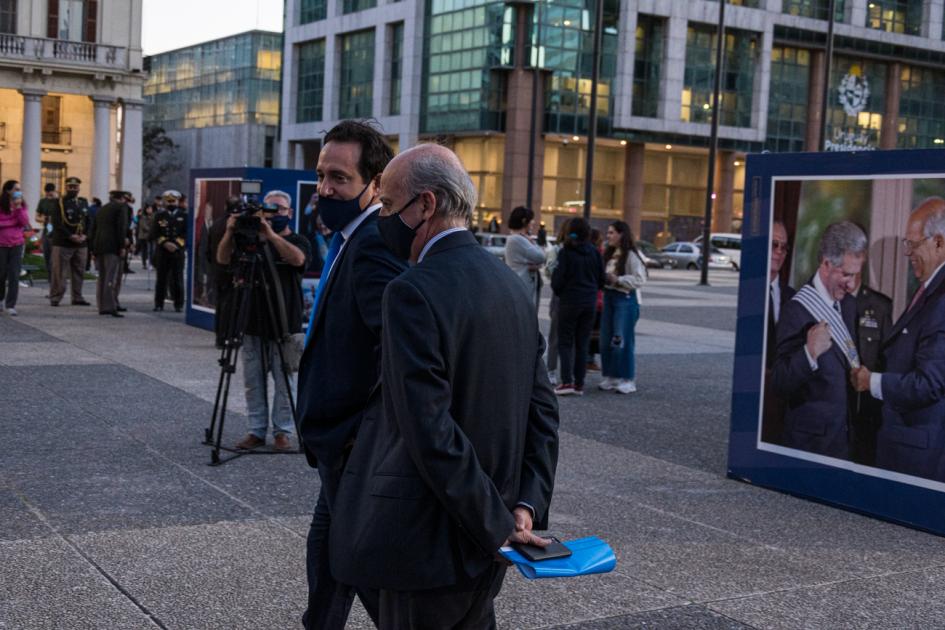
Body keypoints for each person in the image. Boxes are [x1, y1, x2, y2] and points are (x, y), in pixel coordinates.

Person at [328, 142, 559, 627]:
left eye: (388, 205)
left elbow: (428, 430)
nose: (382, 217)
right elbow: (543, 412)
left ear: (427, 204)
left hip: (426, 543)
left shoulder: (411, 292)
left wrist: (497, 525)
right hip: (490, 542)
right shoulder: (511, 286)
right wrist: (524, 507)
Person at [295, 120, 406, 630]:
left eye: (338, 178)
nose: (324, 190)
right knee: (328, 565)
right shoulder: (347, 240)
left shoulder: (373, 246)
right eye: (320, 176)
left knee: (363, 572)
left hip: (351, 449)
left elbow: (397, 350)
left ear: (375, 184)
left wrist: (362, 439)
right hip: (337, 449)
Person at [852, 198, 945, 480]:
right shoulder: (928, 291)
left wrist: (873, 381)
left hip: (916, 453)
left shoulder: (941, 299)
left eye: (913, 244)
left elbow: (929, 383)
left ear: (939, 242)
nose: (908, 253)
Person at [217, 190, 311, 452]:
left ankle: (283, 432)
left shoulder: (298, 240)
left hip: (286, 324)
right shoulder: (250, 242)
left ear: (290, 213)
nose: (274, 215)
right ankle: (256, 430)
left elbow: (298, 259)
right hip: (253, 322)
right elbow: (223, 259)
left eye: (279, 210)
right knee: (253, 381)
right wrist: (229, 232)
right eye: (270, 210)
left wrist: (270, 235)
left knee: (285, 382)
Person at [771, 221, 867, 460]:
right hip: (809, 447)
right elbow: (779, 382)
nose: (852, 284)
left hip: (844, 442)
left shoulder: (849, 305)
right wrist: (809, 353)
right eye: (846, 274)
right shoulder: (795, 309)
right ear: (826, 263)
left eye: (856, 274)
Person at [551, 217, 604, 395]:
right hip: (589, 302)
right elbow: (601, 279)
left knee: (565, 342)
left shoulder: (566, 252)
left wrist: (561, 291)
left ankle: (567, 382)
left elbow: (557, 280)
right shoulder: (594, 252)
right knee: (583, 342)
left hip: (569, 300)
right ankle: (579, 383)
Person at [848, 270, 892, 466]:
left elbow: (887, 360)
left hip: (867, 412)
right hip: (834, 411)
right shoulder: (824, 299)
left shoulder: (880, 305)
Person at [599, 221, 646, 394]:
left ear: (621, 234)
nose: (608, 236)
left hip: (625, 298)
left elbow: (640, 279)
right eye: (608, 232)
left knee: (621, 339)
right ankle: (612, 375)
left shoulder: (632, 255)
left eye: (612, 233)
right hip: (609, 296)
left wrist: (618, 279)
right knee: (606, 339)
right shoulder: (610, 253)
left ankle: (628, 377)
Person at [762, 220, 796, 444]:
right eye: (774, 244)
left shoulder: (794, 297)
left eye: (783, 247)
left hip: (784, 397)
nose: (779, 252)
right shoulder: (749, 293)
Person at [49, 176, 91, 307]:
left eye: (75, 187)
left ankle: (77, 297)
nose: (73, 189)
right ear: (65, 187)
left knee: (79, 271)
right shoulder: (58, 203)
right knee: (59, 272)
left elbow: (88, 221)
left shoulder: (83, 202)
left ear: (79, 188)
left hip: (81, 243)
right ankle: (56, 297)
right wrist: (70, 236)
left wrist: (86, 235)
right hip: (63, 242)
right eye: (70, 187)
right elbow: (57, 223)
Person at [89, 190, 130, 317]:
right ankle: (110, 306)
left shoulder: (102, 209)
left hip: (100, 245)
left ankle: (102, 305)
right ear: (122, 198)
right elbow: (121, 228)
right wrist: (122, 246)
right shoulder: (121, 208)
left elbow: (94, 228)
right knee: (111, 277)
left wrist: (93, 248)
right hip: (112, 246)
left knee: (102, 277)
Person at [543, 220, 571, 385]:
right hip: (562, 295)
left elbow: (549, 271)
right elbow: (550, 271)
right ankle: (552, 370)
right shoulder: (557, 250)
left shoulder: (564, 250)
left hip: (567, 296)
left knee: (562, 336)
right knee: (556, 336)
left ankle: (559, 371)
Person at [0, 180, 31, 316]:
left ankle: (11, 304)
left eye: (19, 189)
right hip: (1, 244)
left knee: (14, 275)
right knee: (1, 274)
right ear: (8, 191)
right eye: (16, 189)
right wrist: (13, 222)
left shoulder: (21, 204)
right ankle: (0, 299)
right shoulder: (1, 204)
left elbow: (24, 222)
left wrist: (18, 208)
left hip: (17, 244)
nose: (18, 191)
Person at [152, 190, 187, 312]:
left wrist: (177, 244)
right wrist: (165, 243)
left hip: (177, 251)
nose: (171, 203)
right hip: (163, 251)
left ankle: (178, 304)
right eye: (168, 201)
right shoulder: (159, 216)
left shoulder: (184, 216)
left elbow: (186, 234)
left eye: (173, 201)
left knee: (178, 279)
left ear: (178, 201)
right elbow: (154, 233)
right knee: (161, 279)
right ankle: (159, 303)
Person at [504, 205, 546, 306]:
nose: (533, 222)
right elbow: (541, 256)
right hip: (521, 287)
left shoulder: (519, 238)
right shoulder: (517, 239)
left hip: (521, 285)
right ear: (524, 221)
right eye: (531, 220)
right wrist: (534, 243)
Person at [35, 183, 58, 275]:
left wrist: (56, 198)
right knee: (47, 254)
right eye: (47, 193)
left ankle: (55, 275)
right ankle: (50, 276)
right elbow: (36, 217)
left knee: (55, 255)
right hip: (47, 229)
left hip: (57, 230)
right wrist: (44, 219)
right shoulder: (42, 201)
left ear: (54, 191)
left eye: (50, 193)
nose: (49, 195)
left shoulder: (58, 201)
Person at [136, 203, 155, 270]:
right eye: (149, 209)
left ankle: (151, 263)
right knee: (144, 251)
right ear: (146, 209)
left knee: (152, 250)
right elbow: (144, 226)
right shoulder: (142, 217)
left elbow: (155, 224)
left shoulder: (154, 216)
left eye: (151, 209)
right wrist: (151, 230)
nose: (150, 210)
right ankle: (144, 263)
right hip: (143, 236)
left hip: (151, 236)